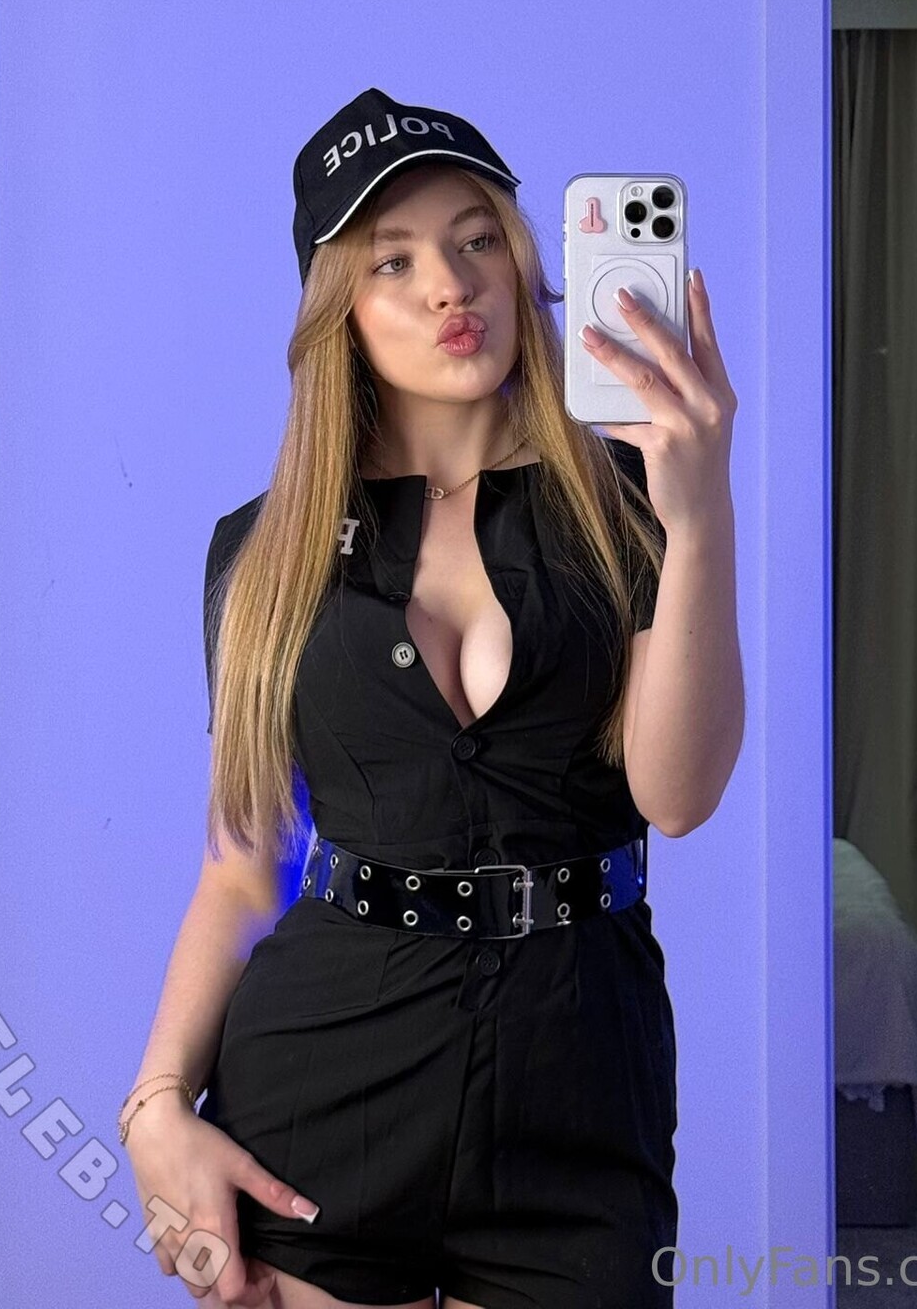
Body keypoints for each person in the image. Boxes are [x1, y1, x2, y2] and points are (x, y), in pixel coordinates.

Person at [120, 89, 743, 1309]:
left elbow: (677, 797)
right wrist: (155, 1107)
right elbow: (243, 868)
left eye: (476, 240)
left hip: (581, 1084)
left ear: (524, 264)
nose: (449, 286)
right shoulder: (259, 554)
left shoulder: (631, 506)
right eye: (392, 260)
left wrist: (702, 509)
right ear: (338, 309)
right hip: (321, 1092)